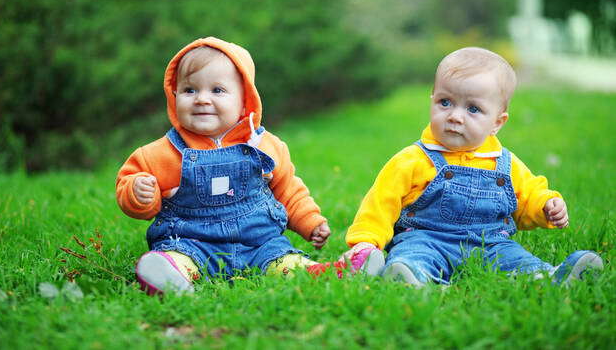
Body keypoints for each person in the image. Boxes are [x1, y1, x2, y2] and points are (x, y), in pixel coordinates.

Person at [340, 47, 603, 286]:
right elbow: (380, 203)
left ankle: (549, 276)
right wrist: (366, 242)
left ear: (497, 122)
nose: (455, 116)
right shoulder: (413, 159)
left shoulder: (505, 163)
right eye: (445, 102)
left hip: (490, 242)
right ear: (431, 100)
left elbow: (527, 198)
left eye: (473, 109)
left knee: (514, 258)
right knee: (412, 255)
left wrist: (546, 206)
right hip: (427, 239)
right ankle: (412, 276)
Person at [116, 37, 331, 294]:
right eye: (189, 90)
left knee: (280, 258)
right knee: (177, 256)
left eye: (217, 90)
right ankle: (169, 274)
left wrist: (310, 222)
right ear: (174, 96)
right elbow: (129, 187)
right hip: (191, 243)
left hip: (258, 243)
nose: (202, 99)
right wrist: (138, 193)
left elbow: (288, 190)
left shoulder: (265, 146)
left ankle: (311, 272)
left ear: (244, 101)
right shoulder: (161, 153)